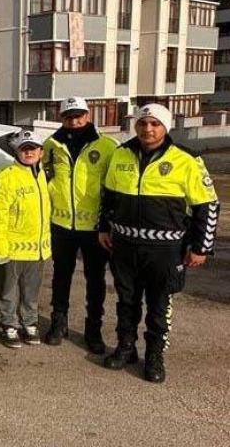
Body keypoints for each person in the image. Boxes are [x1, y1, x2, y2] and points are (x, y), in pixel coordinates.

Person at [99, 104, 219, 383]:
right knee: (126, 301)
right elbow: (108, 196)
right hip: (125, 245)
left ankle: (154, 356)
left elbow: (207, 205)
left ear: (166, 127)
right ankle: (126, 348)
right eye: (143, 123)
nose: (148, 129)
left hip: (165, 250)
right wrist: (104, 227)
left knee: (159, 304)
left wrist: (202, 246)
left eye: (155, 124)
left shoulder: (186, 159)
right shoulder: (120, 154)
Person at [42, 97, 118, 353]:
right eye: (68, 117)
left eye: (79, 116)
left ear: (88, 115)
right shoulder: (51, 145)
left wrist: (108, 223)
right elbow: (43, 177)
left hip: (94, 229)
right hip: (61, 225)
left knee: (95, 280)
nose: (74, 122)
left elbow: (114, 188)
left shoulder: (107, 146)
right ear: (61, 117)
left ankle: (93, 330)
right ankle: (58, 322)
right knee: (60, 276)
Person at [0, 130, 52, 349]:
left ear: (41, 152)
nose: (28, 153)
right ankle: (9, 324)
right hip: (12, 249)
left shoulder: (44, 175)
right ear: (17, 151)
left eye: (32, 149)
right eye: (24, 149)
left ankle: (30, 323)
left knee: (31, 292)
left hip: (38, 249)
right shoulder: (6, 176)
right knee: (8, 291)